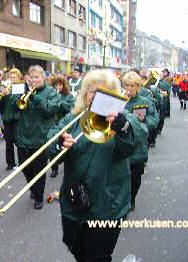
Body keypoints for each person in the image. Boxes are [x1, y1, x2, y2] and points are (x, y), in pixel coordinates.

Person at [47, 69, 146, 262]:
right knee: (75, 247)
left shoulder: (123, 118)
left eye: (104, 91)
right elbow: (51, 141)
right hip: (74, 202)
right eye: (92, 90)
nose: (97, 96)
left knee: (98, 256)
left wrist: (123, 126)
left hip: (107, 206)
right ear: (85, 94)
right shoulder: (73, 118)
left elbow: (136, 142)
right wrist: (59, 143)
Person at [15, 65, 60, 209]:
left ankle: (39, 197)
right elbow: (12, 111)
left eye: (37, 77)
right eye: (31, 77)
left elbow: (51, 109)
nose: (33, 80)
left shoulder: (51, 92)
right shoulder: (23, 90)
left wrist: (36, 97)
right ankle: (34, 188)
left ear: (43, 78)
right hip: (23, 136)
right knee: (25, 168)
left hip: (41, 137)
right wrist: (12, 97)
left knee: (38, 170)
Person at [123, 71, 158, 211]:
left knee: (135, 178)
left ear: (138, 86)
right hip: (121, 146)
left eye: (132, 85)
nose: (129, 88)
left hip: (137, 147)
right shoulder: (120, 100)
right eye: (126, 85)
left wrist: (144, 121)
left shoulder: (145, 102)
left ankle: (132, 198)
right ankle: (123, 200)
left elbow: (154, 120)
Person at [49, 75, 75, 177]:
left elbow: (70, 108)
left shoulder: (69, 96)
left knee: (64, 147)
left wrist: (59, 99)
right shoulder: (51, 94)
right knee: (53, 147)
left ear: (64, 85)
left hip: (64, 126)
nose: (58, 87)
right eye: (56, 85)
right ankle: (54, 168)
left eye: (60, 85)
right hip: (53, 124)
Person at [0, 68, 22, 170]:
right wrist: (2, 96)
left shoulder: (21, 88)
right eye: (11, 77)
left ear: (18, 77)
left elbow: (17, 104)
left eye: (14, 77)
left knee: (18, 141)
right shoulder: (7, 88)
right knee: (8, 142)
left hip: (17, 118)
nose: (12, 79)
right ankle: (10, 163)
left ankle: (22, 162)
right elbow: (1, 105)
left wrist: (10, 95)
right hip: (7, 118)